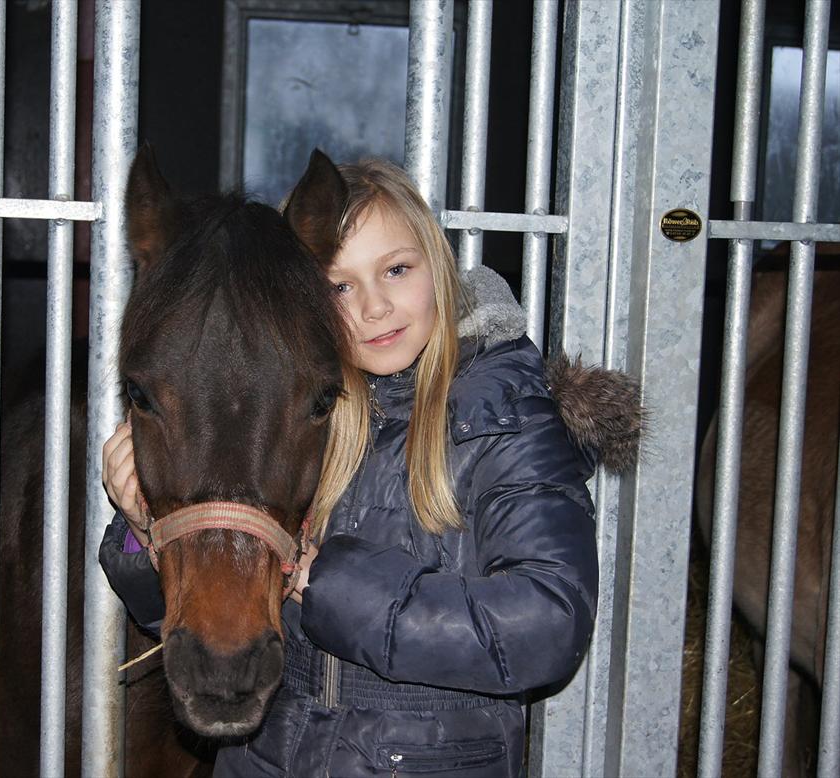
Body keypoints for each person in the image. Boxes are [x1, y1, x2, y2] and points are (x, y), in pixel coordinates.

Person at [100, 156, 640, 776]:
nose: (375, 307)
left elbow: (548, 625)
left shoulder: (505, 419)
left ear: (437, 267)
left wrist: (332, 585)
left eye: (397, 269)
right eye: (339, 286)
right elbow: (190, 607)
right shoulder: (307, 418)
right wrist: (145, 532)